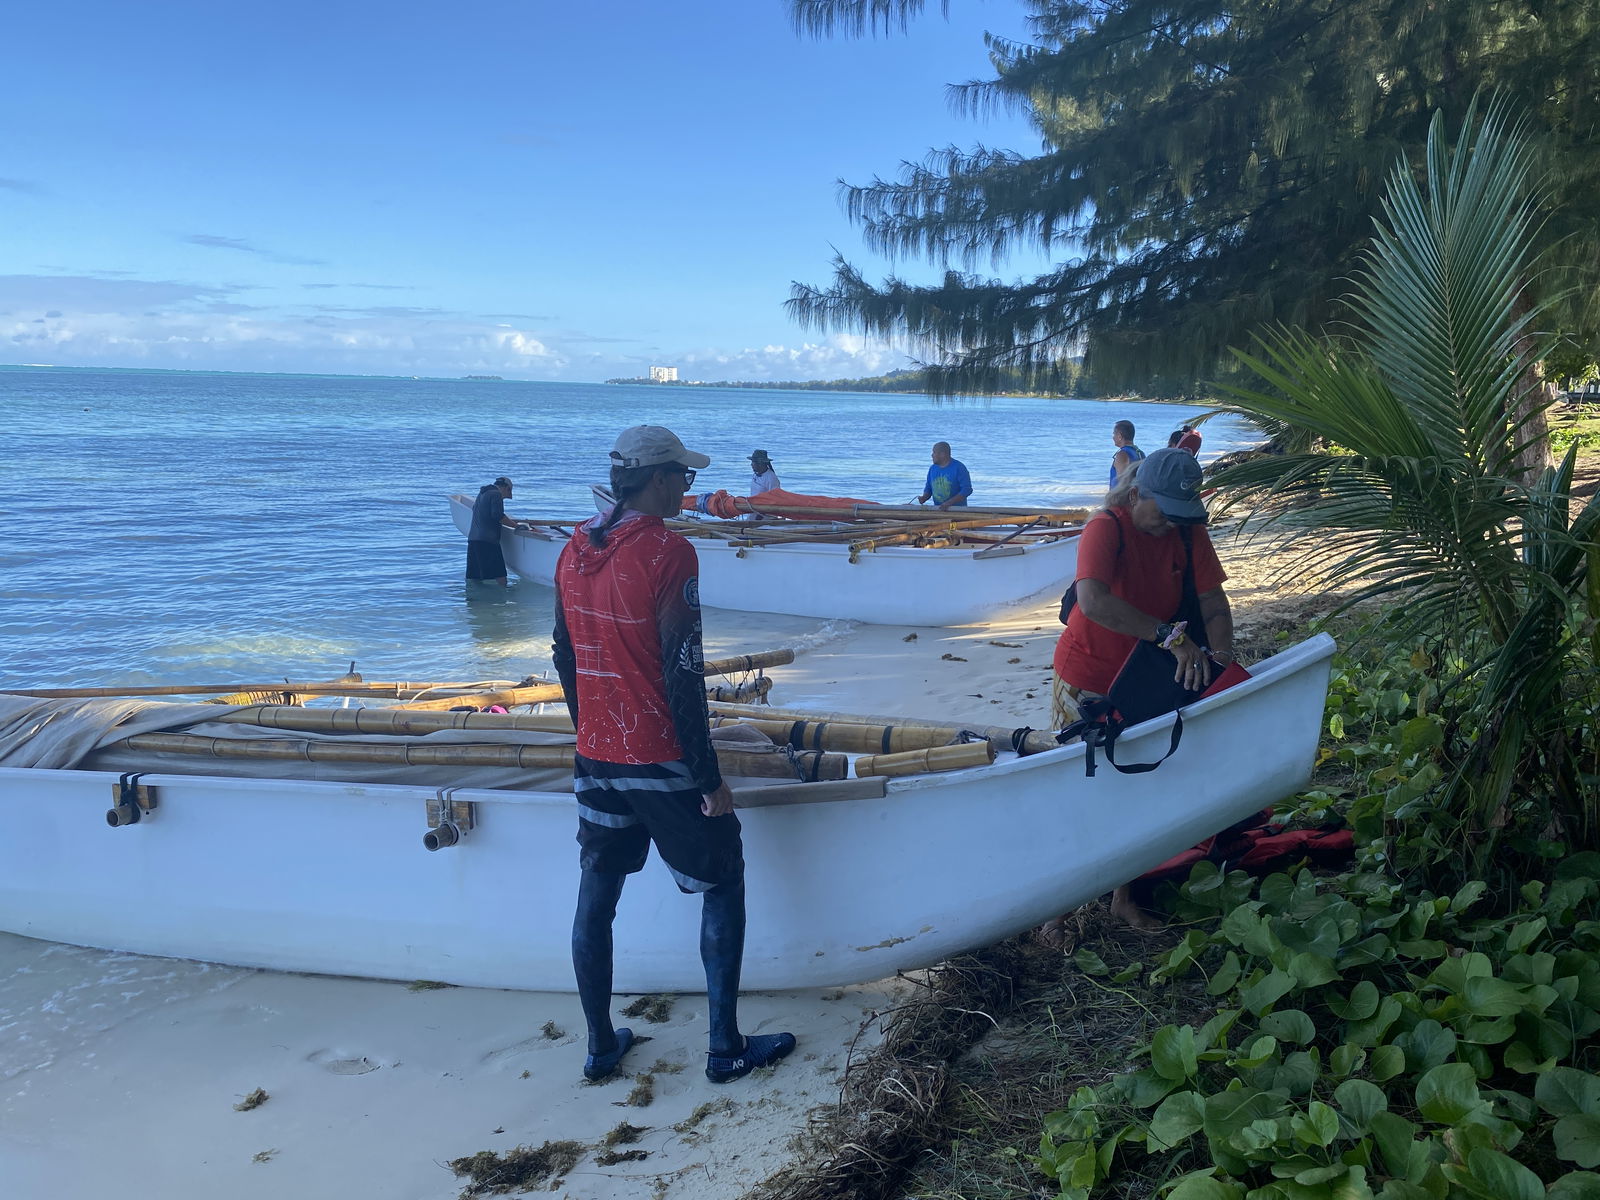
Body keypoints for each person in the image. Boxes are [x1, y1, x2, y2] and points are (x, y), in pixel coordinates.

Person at [551, 425, 796, 1085]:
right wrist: (709, 779)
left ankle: (601, 1045)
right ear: (658, 478)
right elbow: (681, 672)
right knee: (722, 880)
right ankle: (724, 1047)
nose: (686, 489)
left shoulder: (574, 547)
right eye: (683, 478)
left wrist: (589, 730)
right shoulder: (669, 553)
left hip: (597, 756)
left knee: (596, 896)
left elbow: (563, 655)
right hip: (660, 755)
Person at [1051, 447, 1237, 927]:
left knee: (1138, 783)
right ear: (1136, 494)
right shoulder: (1105, 526)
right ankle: (1056, 907)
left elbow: (1214, 605)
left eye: (1181, 515)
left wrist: (1220, 668)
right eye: (1163, 513)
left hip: (1146, 678)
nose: (1170, 525)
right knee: (1081, 788)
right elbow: (1092, 602)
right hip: (1087, 677)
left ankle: (1122, 897)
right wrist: (1171, 637)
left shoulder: (1186, 529)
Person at [466, 476, 515, 585]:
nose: (507, 496)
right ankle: (503, 597)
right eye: (509, 491)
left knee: (475, 577)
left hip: (473, 540)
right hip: (488, 541)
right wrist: (515, 526)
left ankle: (476, 601)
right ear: (506, 487)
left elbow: (477, 510)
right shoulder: (496, 494)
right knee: (500, 576)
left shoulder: (482, 494)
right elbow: (498, 516)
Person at [916, 441, 973, 509]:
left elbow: (967, 490)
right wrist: (924, 497)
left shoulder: (959, 468)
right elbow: (929, 488)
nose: (932, 455)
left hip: (957, 511)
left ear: (942, 454)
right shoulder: (932, 468)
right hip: (939, 510)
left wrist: (949, 503)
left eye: (934, 452)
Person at [1109, 421, 1144, 488]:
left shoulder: (1122, 454)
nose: (1113, 437)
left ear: (1119, 436)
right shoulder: (1140, 453)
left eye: (1114, 434)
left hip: (1122, 497)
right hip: (1136, 496)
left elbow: (1122, 484)